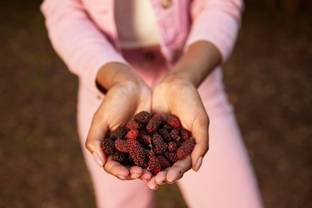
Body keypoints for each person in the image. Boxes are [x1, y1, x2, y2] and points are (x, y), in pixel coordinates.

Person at [41, 0, 263, 207]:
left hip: (193, 81)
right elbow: (62, 10)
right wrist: (118, 78)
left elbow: (221, 5)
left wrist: (183, 77)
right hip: (109, 90)